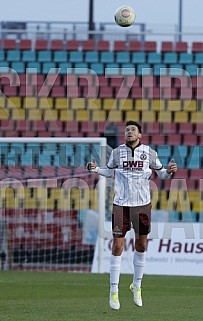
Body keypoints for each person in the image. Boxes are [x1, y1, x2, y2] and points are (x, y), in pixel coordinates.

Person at [87, 120, 177, 310]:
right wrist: (95, 169)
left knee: (142, 244)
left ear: (140, 135)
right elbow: (109, 171)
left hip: (142, 205)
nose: (129, 132)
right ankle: (113, 291)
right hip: (121, 205)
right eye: (127, 130)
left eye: (132, 130)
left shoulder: (149, 152)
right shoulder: (117, 152)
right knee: (118, 245)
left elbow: (161, 173)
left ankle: (137, 286)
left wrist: (169, 172)